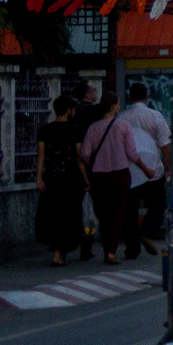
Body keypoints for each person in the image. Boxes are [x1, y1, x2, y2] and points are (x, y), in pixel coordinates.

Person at [81, 98, 154, 264]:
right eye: (118, 104)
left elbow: (85, 154)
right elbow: (132, 154)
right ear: (113, 106)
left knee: (104, 214)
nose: (120, 107)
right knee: (117, 213)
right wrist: (146, 170)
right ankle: (111, 253)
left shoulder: (93, 128)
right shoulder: (123, 126)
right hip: (120, 174)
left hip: (99, 176)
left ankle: (109, 250)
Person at [35, 94, 88, 267]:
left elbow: (41, 156)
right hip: (71, 179)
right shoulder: (75, 130)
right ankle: (60, 253)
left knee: (53, 214)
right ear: (68, 110)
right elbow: (79, 159)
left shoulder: (45, 130)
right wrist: (86, 179)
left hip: (51, 178)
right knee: (69, 215)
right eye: (72, 109)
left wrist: (39, 178)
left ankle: (57, 253)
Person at [119, 82, 170, 258]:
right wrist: (168, 168)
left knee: (129, 209)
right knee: (159, 204)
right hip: (153, 169)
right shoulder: (155, 117)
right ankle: (147, 231)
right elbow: (165, 146)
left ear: (129, 97)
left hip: (130, 170)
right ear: (147, 97)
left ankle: (132, 248)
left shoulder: (121, 118)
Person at [69, 80, 107, 261]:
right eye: (92, 90)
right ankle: (89, 241)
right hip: (95, 163)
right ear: (86, 95)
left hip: (77, 165)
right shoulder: (96, 112)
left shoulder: (74, 113)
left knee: (82, 208)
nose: (95, 92)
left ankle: (82, 241)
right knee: (94, 208)